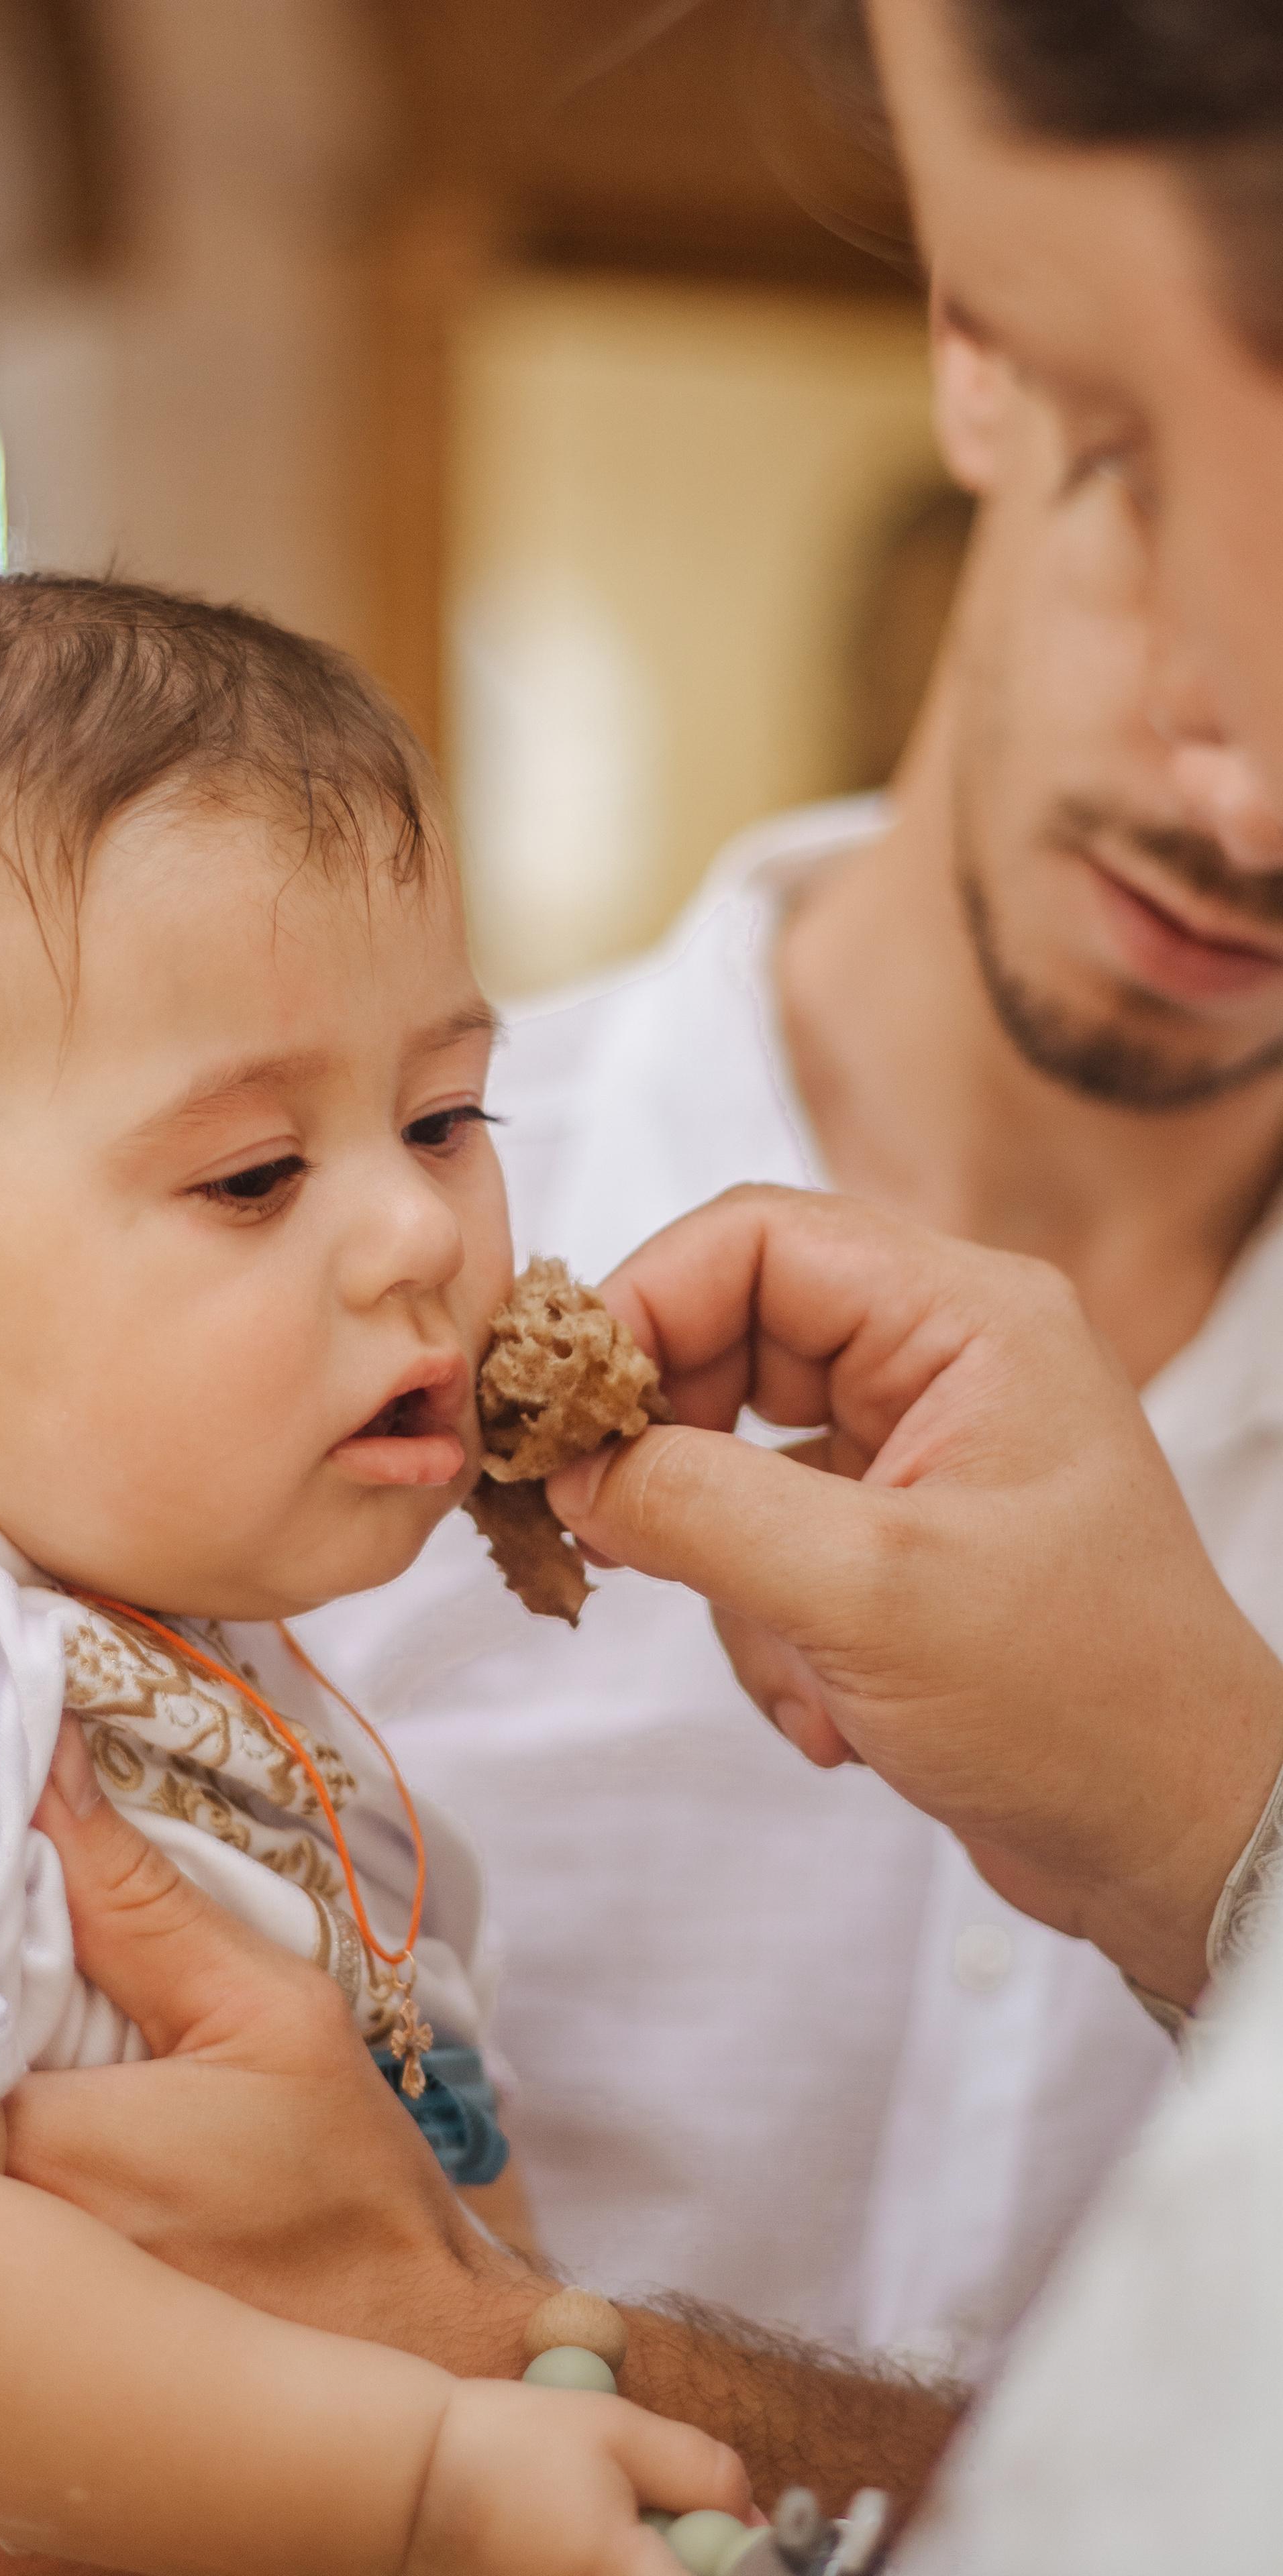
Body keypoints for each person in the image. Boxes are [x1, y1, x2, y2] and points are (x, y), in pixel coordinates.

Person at [0, 570, 751, 2576]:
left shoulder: (305, 1731)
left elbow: (445, 2221)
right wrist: (419, 2483)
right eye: (252, 1176)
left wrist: (526, 2370)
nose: (415, 1235)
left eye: (444, 1114)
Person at [297, 299, 1283, 2381]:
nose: (1257, 805)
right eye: (1213, 587)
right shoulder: (278, 1274)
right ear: (992, 345)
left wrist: (1231, 1842)